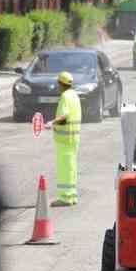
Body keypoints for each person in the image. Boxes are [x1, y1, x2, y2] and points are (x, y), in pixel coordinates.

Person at [44, 72, 82, 207]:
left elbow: (64, 116)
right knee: (71, 168)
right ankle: (72, 196)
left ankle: (65, 198)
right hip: (74, 137)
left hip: (64, 140)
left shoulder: (65, 97)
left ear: (60, 84)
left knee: (64, 169)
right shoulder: (74, 95)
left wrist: (51, 123)